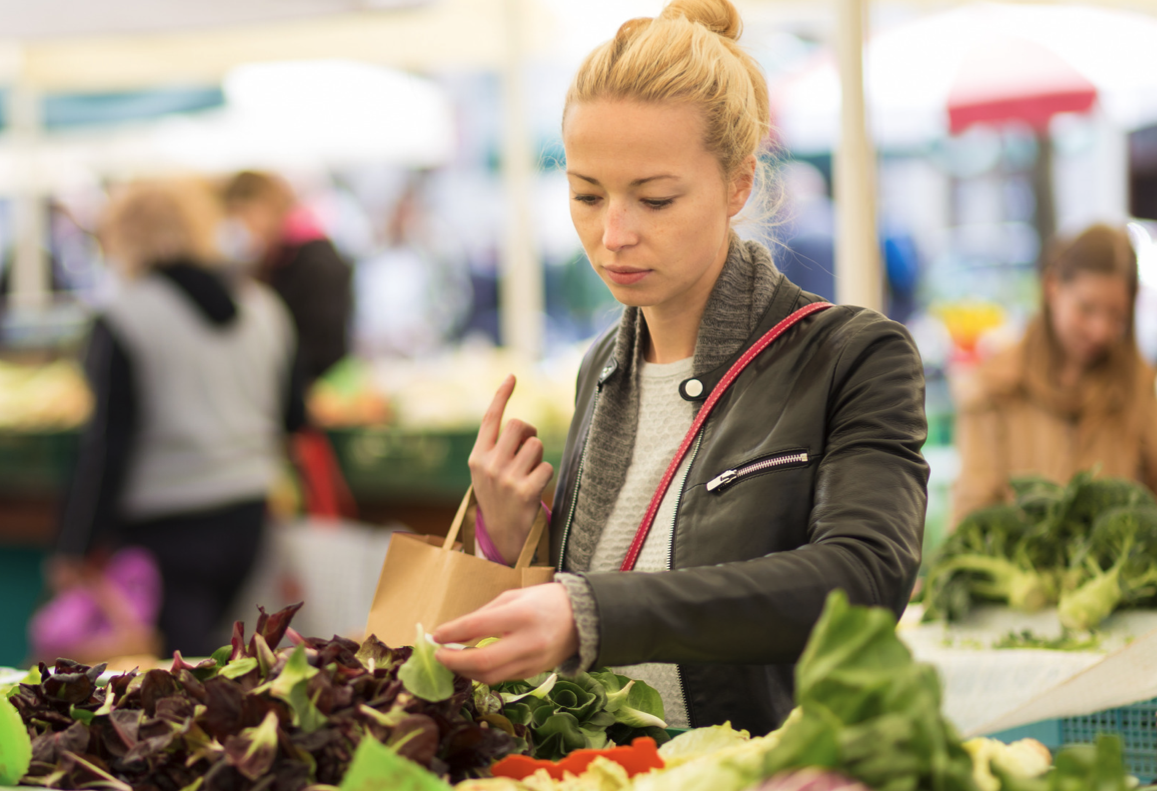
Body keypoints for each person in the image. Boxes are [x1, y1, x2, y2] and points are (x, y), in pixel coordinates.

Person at [431, 0, 928, 735]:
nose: (613, 235)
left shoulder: (851, 356)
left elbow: (861, 578)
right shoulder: (602, 366)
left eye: (655, 198)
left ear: (736, 184)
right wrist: (508, 539)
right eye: (585, 195)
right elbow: (583, 623)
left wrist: (592, 612)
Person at [52, 179, 306, 657]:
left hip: (164, 530)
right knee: (234, 666)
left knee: (173, 681)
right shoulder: (265, 307)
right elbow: (294, 417)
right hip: (251, 517)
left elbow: (108, 443)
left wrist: (75, 545)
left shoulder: (124, 315)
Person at [953, 224, 1157, 523]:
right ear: (1052, 286)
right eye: (1086, 309)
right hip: (1019, 568)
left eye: (1117, 316)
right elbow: (971, 519)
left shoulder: (1140, 387)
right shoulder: (995, 387)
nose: (1100, 330)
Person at [222, 171, 352, 383]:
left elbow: (322, 344)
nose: (243, 227)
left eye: (244, 215)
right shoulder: (276, 257)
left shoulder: (312, 260)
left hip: (316, 386)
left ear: (267, 207)